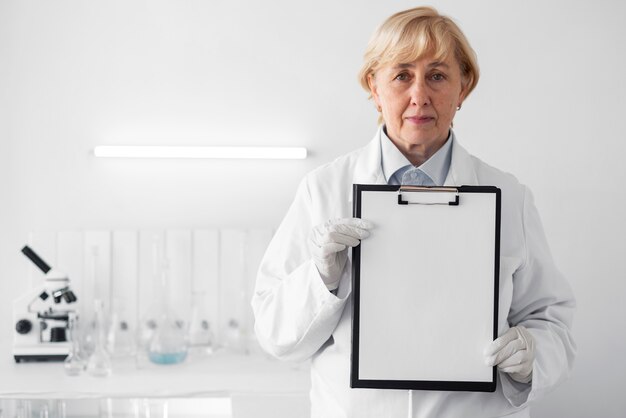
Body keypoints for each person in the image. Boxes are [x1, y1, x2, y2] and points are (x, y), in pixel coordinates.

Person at [252, 6, 575, 418]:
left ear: (464, 87)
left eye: (437, 75)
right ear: (374, 85)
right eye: (402, 75)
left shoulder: (510, 197)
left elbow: (553, 324)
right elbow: (274, 336)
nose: (419, 95)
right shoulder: (324, 190)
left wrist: (535, 356)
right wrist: (320, 281)